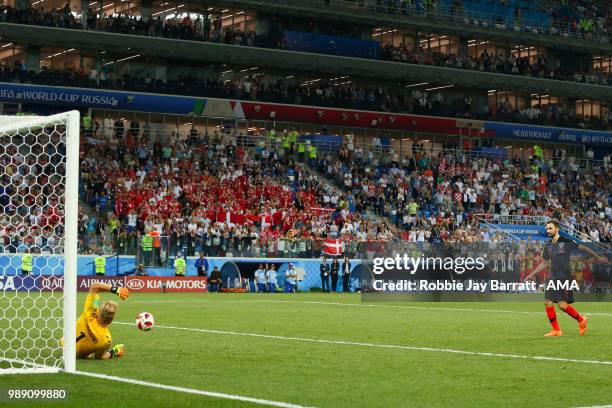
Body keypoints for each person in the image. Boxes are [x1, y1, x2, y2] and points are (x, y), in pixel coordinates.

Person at [525, 220, 603, 336]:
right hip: (553, 277)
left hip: (564, 277)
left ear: (557, 229)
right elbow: (545, 263)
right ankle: (557, 329)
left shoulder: (566, 241)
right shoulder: (548, 246)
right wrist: (531, 274)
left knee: (561, 305)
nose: (548, 231)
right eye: (547, 229)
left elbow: (582, 247)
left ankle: (580, 320)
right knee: (549, 302)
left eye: (550, 228)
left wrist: (597, 256)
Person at [72, 282, 129, 359]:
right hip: (76, 356)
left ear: (100, 311)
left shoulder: (91, 311)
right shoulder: (106, 339)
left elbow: (95, 286)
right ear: (111, 320)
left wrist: (117, 290)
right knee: (93, 350)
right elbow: (100, 357)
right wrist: (114, 352)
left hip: (65, 346)